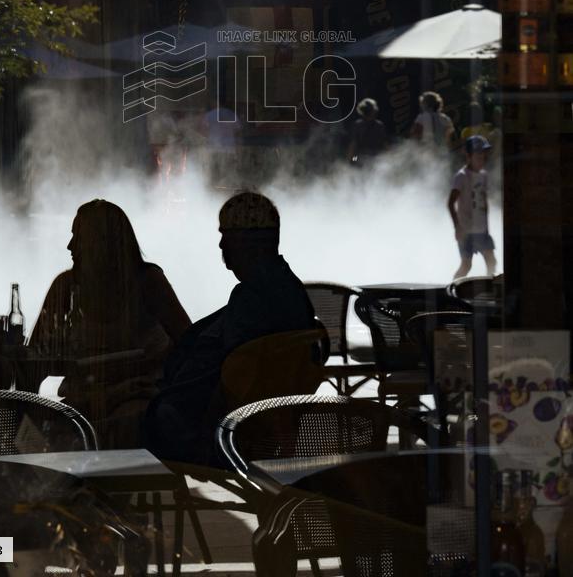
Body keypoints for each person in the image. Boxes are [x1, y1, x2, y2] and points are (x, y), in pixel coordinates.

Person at [145, 191, 315, 465]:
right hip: (267, 418)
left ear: (250, 244)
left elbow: (229, 375)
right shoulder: (289, 289)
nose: (221, 246)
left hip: (233, 425)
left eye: (227, 237)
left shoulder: (252, 299)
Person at [28, 199, 190, 447]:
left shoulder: (148, 283)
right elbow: (35, 358)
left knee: (130, 425)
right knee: (39, 432)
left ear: (102, 244)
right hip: (85, 399)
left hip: (137, 396)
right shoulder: (65, 286)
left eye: (78, 238)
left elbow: (189, 343)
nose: (70, 246)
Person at [448, 135, 497, 279]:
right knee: (466, 265)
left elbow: (484, 201)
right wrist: (457, 227)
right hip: (466, 230)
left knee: (491, 261)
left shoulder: (483, 175)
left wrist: (487, 227)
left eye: (483, 154)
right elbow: (451, 202)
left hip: (481, 229)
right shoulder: (461, 176)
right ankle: (451, 290)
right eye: (478, 155)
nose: (482, 158)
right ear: (469, 156)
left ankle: (490, 289)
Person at [348, 98, 387, 164]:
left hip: (375, 157)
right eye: (370, 112)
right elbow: (353, 145)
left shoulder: (379, 125)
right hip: (360, 157)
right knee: (355, 162)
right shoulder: (358, 125)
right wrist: (352, 161)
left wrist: (388, 159)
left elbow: (384, 143)